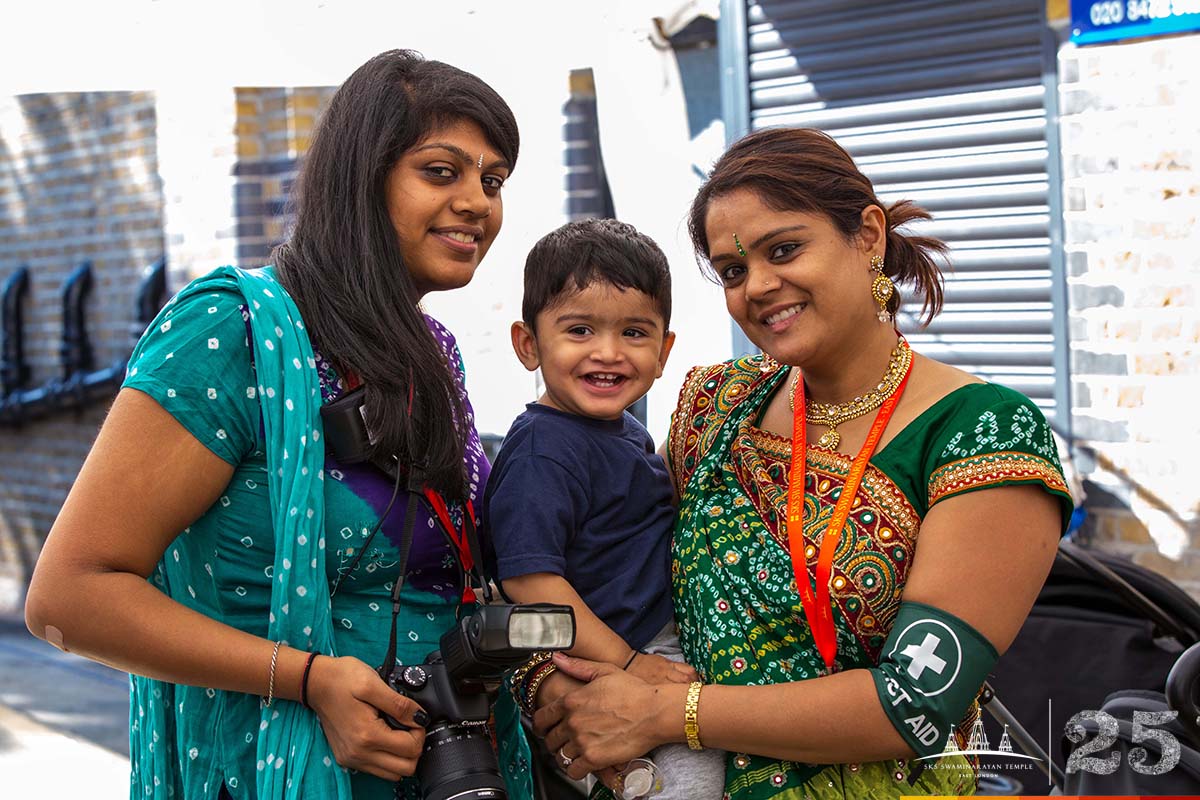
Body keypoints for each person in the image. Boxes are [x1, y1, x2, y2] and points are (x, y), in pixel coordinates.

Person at [24, 50, 532, 800]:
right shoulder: (230, 333)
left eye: (492, 181)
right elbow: (69, 598)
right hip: (274, 772)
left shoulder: (435, 356)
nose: (477, 203)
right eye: (441, 171)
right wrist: (307, 679)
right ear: (363, 179)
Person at [519, 127, 1074, 799]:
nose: (758, 286)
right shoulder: (714, 407)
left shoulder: (979, 434)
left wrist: (665, 711)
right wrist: (550, 681)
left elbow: (917, 702)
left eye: (785, 249)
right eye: (732, 271)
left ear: (867, 234)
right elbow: (595, 569)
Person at [485, 218, 726, 798]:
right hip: (609, 654)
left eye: (636, 333)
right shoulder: (543, 451)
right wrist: (626, 663)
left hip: (650, 642)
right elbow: (530, 581)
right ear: (528, 344)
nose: (609, 353)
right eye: (580, 330)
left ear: (666, 350)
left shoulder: (623, 432)